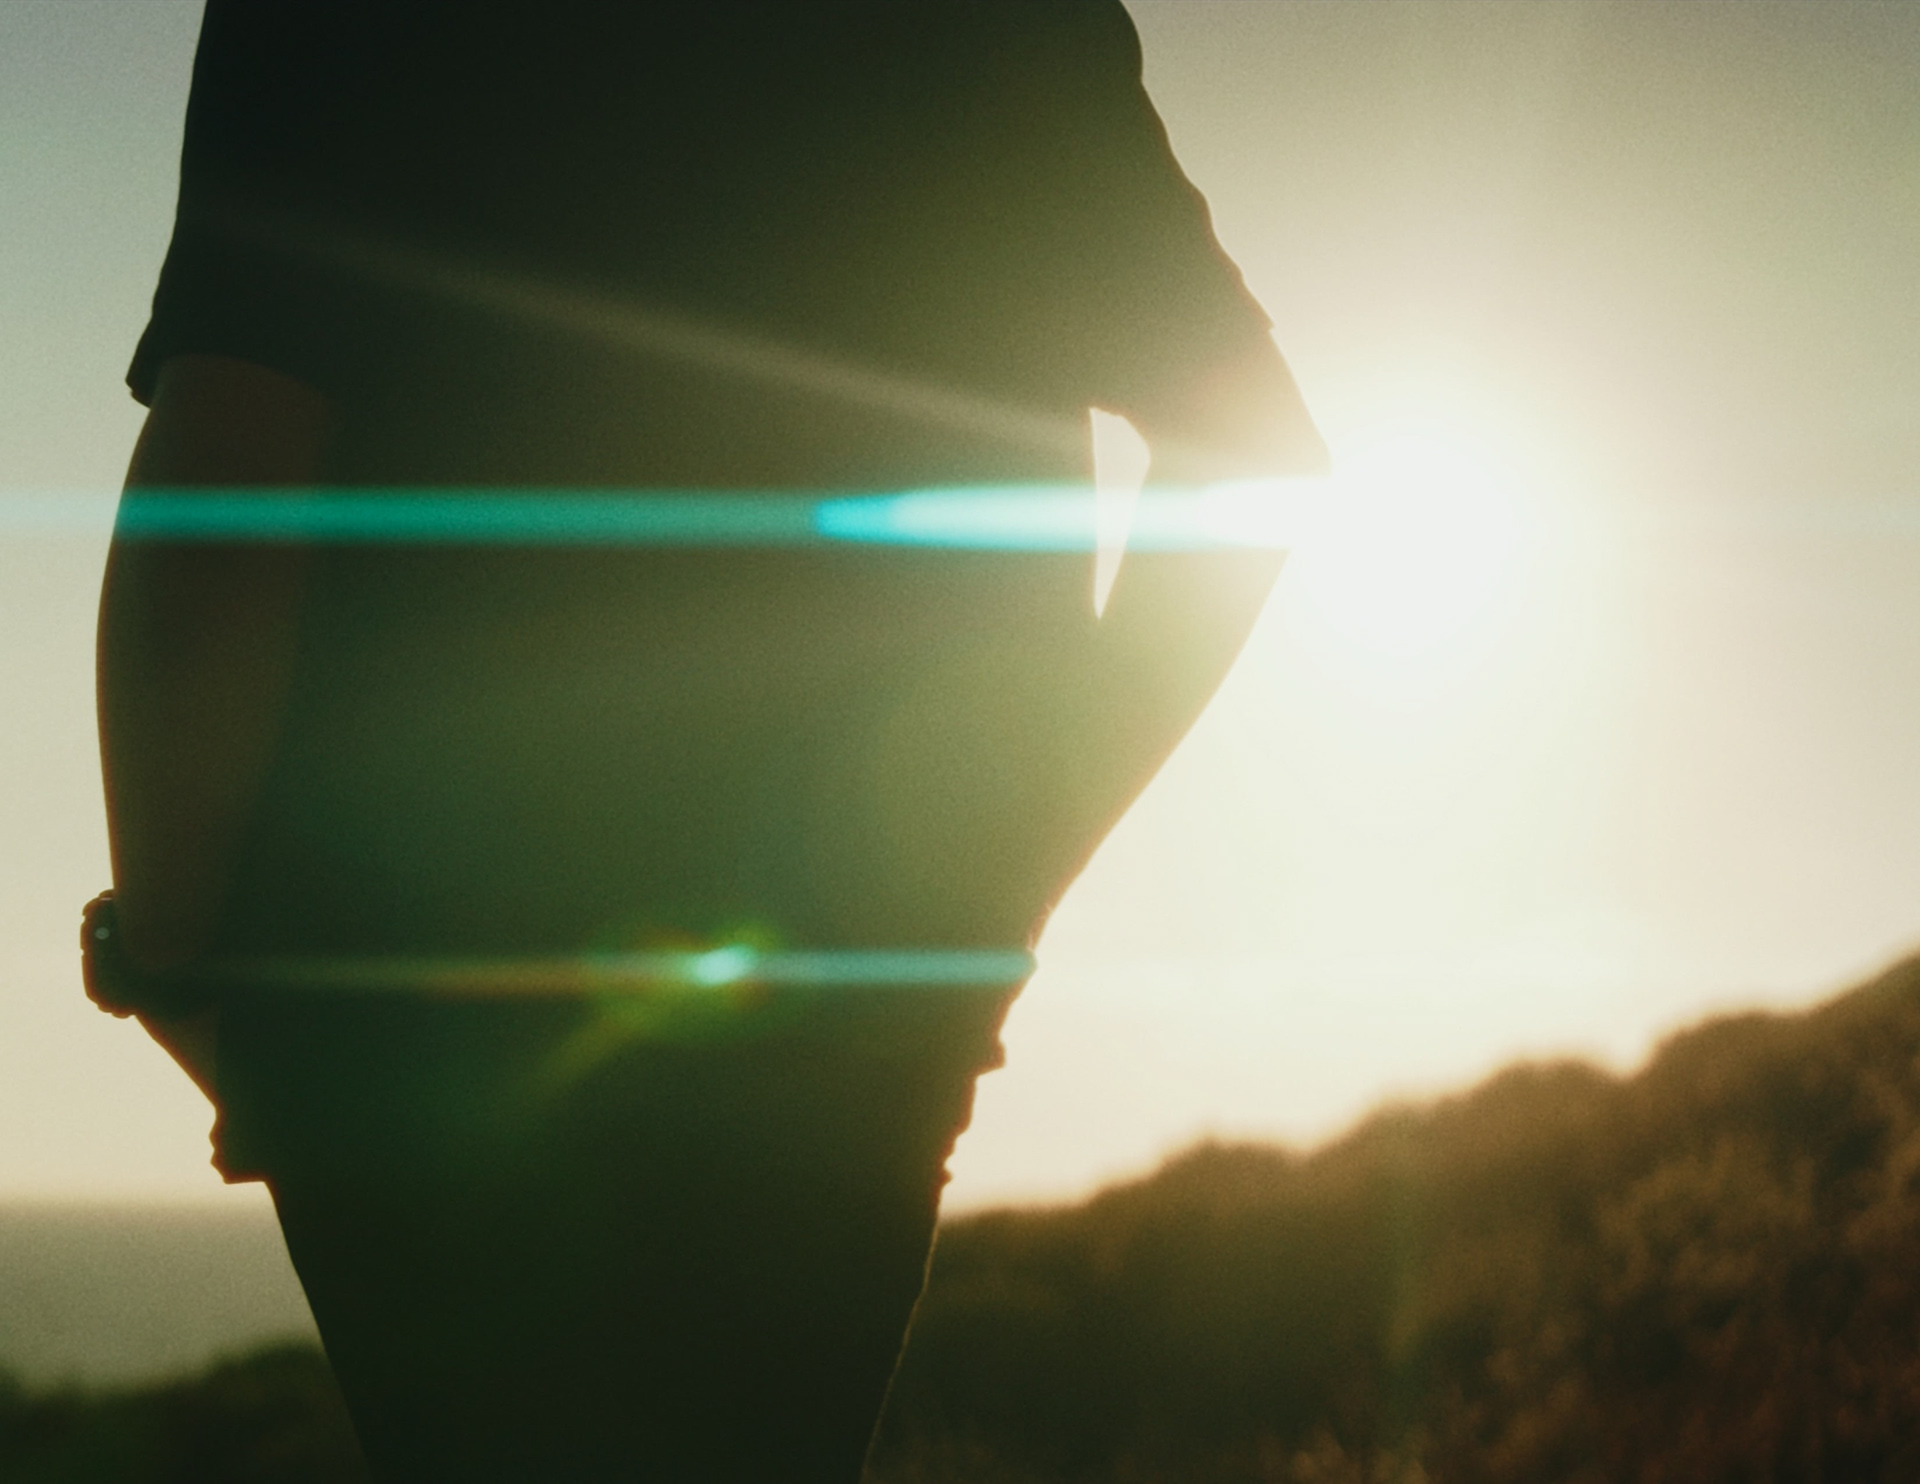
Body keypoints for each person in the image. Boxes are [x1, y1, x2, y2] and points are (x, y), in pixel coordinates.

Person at [88, 2, 1325, 1479]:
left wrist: (180, 961)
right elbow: (1244, 452)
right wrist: (978, 911)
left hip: (415, 1013)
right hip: (843, 1010)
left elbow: (229, 469)